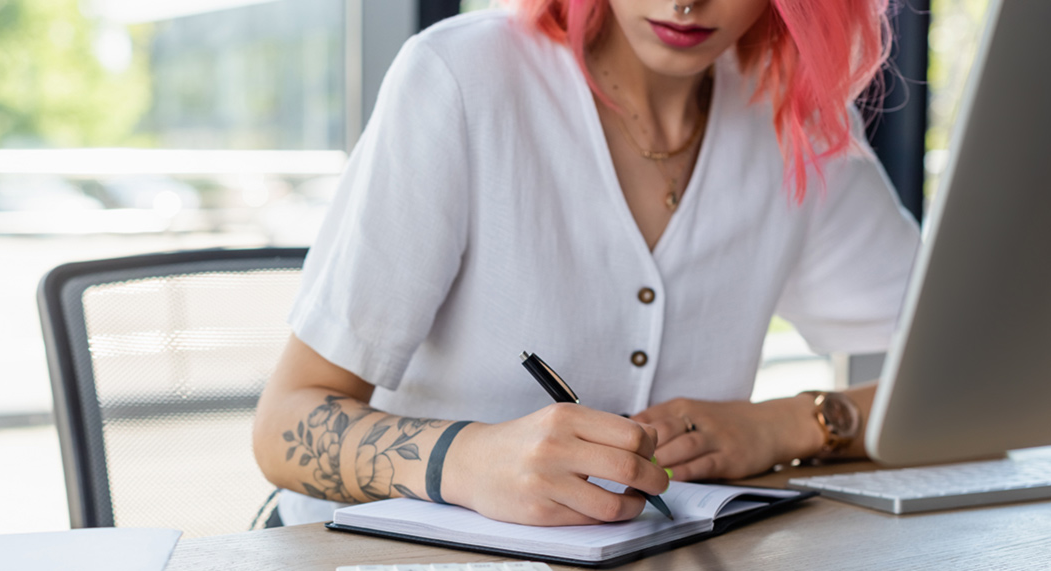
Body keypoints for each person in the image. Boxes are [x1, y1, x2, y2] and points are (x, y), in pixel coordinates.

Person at [253, 0, 919, 527]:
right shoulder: (462, 77)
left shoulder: (793, 119)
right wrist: (470, 460)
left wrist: (787, 424)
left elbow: (973, 373)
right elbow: (283, 426)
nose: (686, 3)